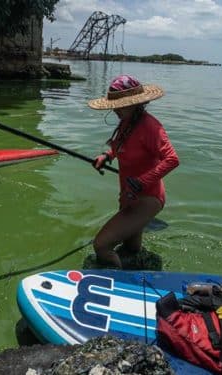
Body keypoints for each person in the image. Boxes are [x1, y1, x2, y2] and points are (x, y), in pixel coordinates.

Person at [88, 75, 180, 268]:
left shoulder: (151, 127)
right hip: (129, 196)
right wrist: (107, 155)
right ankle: (137, 271)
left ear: (136, 104)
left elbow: (172, 159)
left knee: (102, 246)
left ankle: (117, 288)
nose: (115, 109)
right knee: (130, 249)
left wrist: (142, 182)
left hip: (147, 198)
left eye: (120, 105)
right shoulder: (126, 123)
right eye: (114, 105)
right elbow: (119, 146)